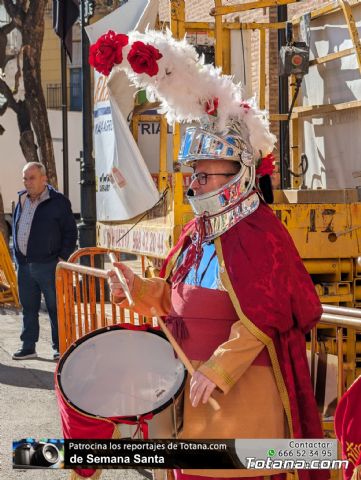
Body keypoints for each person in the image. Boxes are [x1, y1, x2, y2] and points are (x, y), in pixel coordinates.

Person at [94, 29, 329, 480]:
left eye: (204, 176)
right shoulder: (197, 232)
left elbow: (271, 312)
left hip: (240, 392)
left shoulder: (260, 232)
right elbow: (177, 297)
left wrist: (220, 367)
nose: (193, 185)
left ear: (237, 174)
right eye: (192, 175)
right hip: (192, 389)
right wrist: (140, 290)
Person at [12, 162, 77, 361]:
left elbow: (70, 232)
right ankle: (28, 346)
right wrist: (17, 257)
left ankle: (60, 347)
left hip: (49, 265)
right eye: (25, 178)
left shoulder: (58, 201)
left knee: (55, 307)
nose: (27, 182)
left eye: (32, 178)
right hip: (24, 265)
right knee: (28, 308)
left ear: (44, 179)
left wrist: (62, 259)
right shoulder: (22, 199)